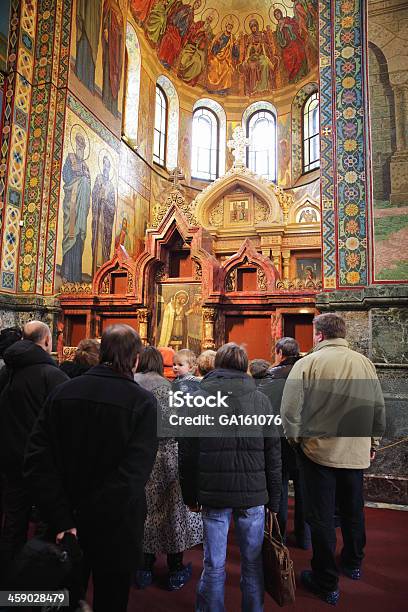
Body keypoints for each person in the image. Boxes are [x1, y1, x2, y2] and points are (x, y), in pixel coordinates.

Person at [24, 325, 158, 612]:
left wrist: (64, 518)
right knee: (112, 600)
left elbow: (37, 459)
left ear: (102, 354)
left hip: (65, 525)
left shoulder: (62, 392)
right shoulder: (143, 402)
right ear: (135, 359)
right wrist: (89, 516)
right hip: (116, 527)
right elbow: (133, 475)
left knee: (65, 601)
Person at [281, 313, 386, 605]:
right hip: (355, 449)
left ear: (318, 334)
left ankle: (326, 581)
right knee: (354, 510)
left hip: (318, 452)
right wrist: (373, 441)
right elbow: (378, 406)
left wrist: (296, 441)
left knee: (321, 516)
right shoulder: (363, 362)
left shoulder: (307, 363)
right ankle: (353, 563)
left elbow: (289, 412)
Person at [179, 343, 281, 612]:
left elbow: (187, 452)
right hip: (253, 492)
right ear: (244, 365)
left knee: (214, 564)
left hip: (214, 491)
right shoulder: (260, 399)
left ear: (218, 365)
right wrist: (275, 500)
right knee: (252, 563)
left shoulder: (199, 398)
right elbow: (273, 452)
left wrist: (189, 494)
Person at [0, 321, 68, 577]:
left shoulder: (7, 371)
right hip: (42, 462)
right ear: (48, 341)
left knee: (14, 522)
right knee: (46, 524)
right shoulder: (52, 375)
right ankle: (38, 585)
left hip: (10, 458)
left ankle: (7, 582)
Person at [134, 347, 202, 590]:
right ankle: (175, 568)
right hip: (166, 456)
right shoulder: (167, 387)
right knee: (172, 512)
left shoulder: (132, 384)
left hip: (139, 458)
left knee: (144, 511)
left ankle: (143, 567)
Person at [257, 338, 310, 549]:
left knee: (278, 487)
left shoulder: (271, 376)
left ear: (279, 352)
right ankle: (304, 537)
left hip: (278, 439)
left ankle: (278, 537)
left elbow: (261, 407)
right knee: (303, 489)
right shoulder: (308, 373)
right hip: (303, 439)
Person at [61, 133, 91, 283]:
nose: (81, 146)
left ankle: (76, 276)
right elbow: (65, 176)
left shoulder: (86, 166)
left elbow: (89, 187)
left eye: (83, 144)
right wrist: (75, 173)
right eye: (79, 142)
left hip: (81, 209)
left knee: (79, 238)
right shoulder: (70, 157)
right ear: (75, 143)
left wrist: (85, 181)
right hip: (71, 205)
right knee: (70, 235)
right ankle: (66, 272)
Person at [91, 155, 116, 274]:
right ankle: (95, 269)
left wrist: (106, 201)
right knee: (97, 240)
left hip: (106, 218)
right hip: (98, 216)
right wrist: (98, 197)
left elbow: (113, 207)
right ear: (102, 165)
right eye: (104, 164)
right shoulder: (98, 179)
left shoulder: (111, 186)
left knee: (105, 242)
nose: (106, 167)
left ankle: (104, 270)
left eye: (108, 165)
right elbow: (94, 194)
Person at [207, 20, 239, 93]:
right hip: (217, 55)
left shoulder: (232, 38)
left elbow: (235, 54)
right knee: (214, 64)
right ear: (226, 26)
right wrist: (218, 44)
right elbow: (213, 47)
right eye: (228, 26)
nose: (229, 27)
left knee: (228, 69)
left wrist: (236, 46)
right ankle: (212, 87)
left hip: (226, 58)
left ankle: (223, 89)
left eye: (231, 26)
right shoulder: (220, 34)